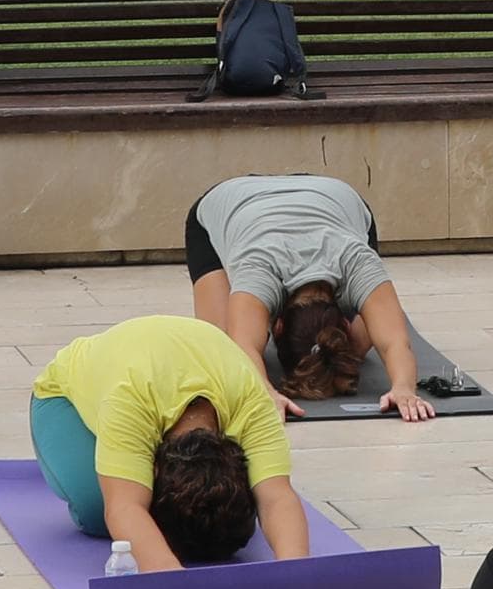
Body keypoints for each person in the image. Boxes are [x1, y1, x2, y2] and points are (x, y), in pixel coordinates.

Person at [27, 314, 313, 569]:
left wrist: (294, 570)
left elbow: (276, 496)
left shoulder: (250, 399)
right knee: (99, 510)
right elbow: (123, 507)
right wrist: (170, 577)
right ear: (154, 470)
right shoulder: (130, 400)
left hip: (175, 361)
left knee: (214, 514)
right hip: (63, 398)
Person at [185, 175, 440, 421]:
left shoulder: (356, 259)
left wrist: (404, 388)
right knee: (220, 348)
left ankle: (367, 315)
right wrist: (264, 392)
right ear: (276, 326)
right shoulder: (258, 270)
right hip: (229, 200)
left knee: (373, 328)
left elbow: (395, 341)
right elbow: (241, 345)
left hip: (334, 198)